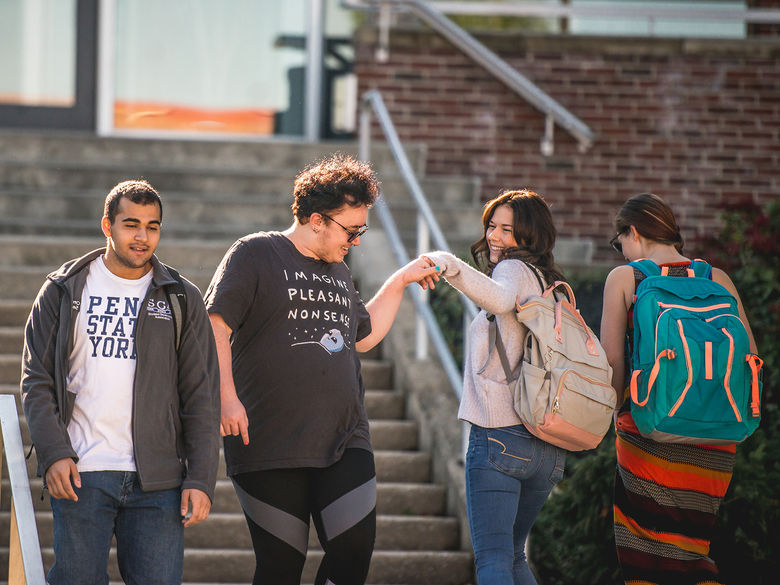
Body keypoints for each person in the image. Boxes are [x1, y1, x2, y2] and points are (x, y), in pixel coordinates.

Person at [204, 153, 439, 585]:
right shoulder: (256, 252)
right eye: (352, 230)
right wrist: (226, 396)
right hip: (268, 440)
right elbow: (215, 324)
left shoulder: (339, 272)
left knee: (352, 551)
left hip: (344, 436)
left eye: (362, 230)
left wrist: (400, 280)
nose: (358, 240)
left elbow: (362, 336)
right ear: (317, 220)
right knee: (281, 568)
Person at [21, 179, 221, 585]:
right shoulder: (63, 290)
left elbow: (201, 394)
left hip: (159, 482)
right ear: (107, 226)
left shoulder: (181, 297)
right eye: (131, 224)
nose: (142, 237)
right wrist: (55, 452)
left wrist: (200, 478)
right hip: (83, 472)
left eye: (153, 226)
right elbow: (37, 380)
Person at [600, 192, 757, 585]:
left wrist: (604, 420)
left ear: (632, 231)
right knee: (691, 551)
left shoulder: (627, 278)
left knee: (648, 557)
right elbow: (751, 356)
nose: (622, 253)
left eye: (620, 243)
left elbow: (613, 365)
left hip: (649, 431)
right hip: (716, 439)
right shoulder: (716, 278)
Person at [420, 189, 568, 584]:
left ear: (530, 235)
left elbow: (500, 299)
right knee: (514, 558)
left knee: (493, 561)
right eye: (492, 226)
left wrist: (446, 264)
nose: (495, 237)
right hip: (546, 447)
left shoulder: (514, 272)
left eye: (508, 229)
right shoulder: (550, 282)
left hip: (500, 438)